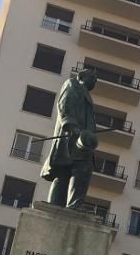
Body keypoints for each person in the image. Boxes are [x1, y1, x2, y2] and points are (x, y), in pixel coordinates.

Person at [41, 68, 98, 208]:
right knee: (77, 169)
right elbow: (64, 105)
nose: (94, 81)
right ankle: (73, 206)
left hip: (80, 138)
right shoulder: (73, 84)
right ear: (81, 76)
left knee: (67, 172)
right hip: (72, 136)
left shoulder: (86, 94)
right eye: (92, 77)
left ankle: (57, 206)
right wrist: (71, 127)